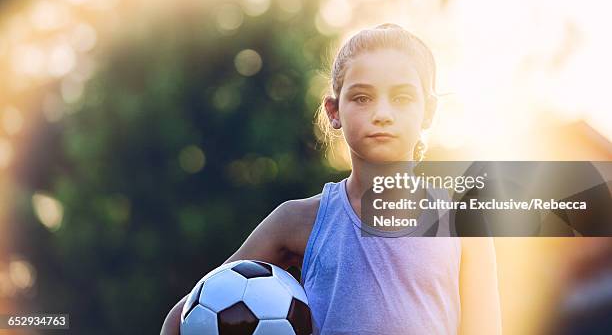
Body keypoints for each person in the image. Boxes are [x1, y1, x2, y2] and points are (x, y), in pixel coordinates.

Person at [160, 23, 502, 334]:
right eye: (362, 98)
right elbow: (181, 320)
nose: (382, 114)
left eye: (401, 97)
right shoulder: (298, 220)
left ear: (428, 112)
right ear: (334, 111)